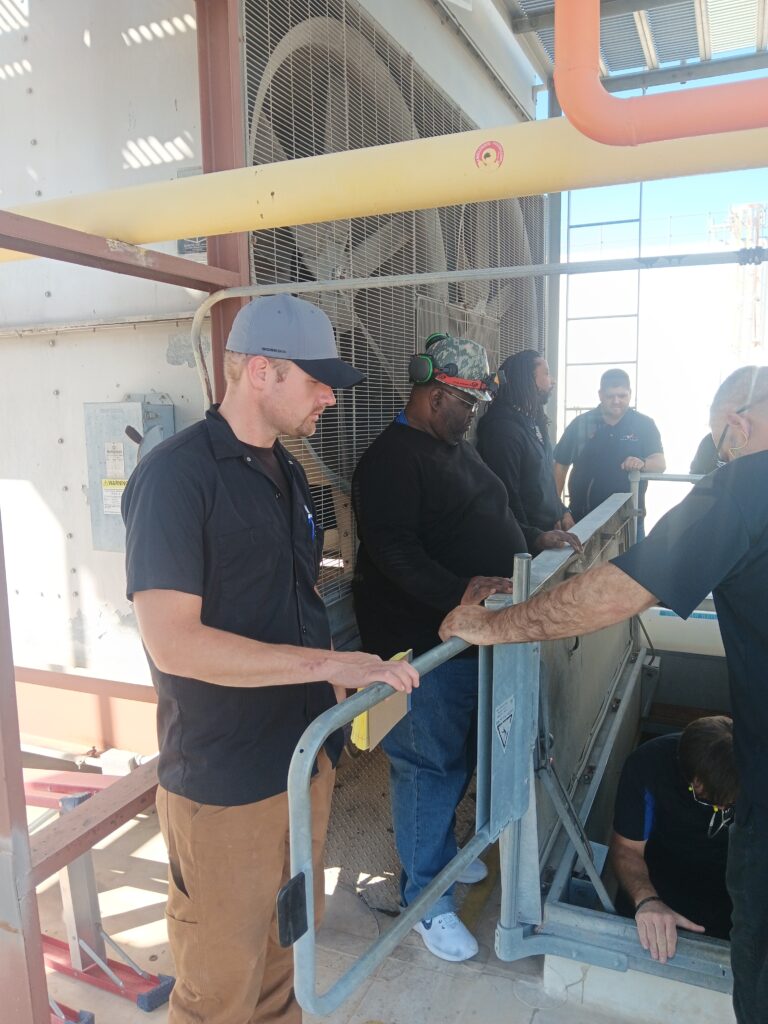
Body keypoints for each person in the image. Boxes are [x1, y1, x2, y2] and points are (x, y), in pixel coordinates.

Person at [122, 294, 418, 1024]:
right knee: (219, 987)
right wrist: (328, 667)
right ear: (260, 371)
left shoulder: (286, 475)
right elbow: (174, 642)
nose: (328, 397)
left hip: (302, 764)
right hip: (225, 785)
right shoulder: (174, 479)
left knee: (286, 952)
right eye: (316, 381)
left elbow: (292, 602)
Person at [440, 365, 768, 1024]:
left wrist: (496, 626)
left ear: (735, 422)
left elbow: (621, 589)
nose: (722, 458)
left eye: (722, 446)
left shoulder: (746, 487)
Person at [351, 333, 581, 963]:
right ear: (430, 393)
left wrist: (535, 536)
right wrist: (460, 591)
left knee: (462, 753)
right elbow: (393, 550)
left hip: (471, 637)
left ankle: (442, 860)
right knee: (427, 765)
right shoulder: (390, 461)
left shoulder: (453, 447)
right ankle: (425, 898)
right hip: (424, 645)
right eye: (465, 402)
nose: (474, 413)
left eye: (479, 402)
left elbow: (486, 513)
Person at [611, 716, 737, 961]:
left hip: (734, 892)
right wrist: (647, 900)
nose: (723, 810)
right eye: (713, 802)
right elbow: (626, 849)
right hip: (658, 883)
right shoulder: (649, 766)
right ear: (695, 782)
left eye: (732, 803)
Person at [553, 368, 665, 539]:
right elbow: (560, 467)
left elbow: (660, 463)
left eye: (622, 395)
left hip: (629, 523)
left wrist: (642, 463)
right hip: (581, 521)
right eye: (610, 396)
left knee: (629, 567)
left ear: (630, 393)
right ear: (600, 394)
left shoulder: (644, 424)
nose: (616, 401)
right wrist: (560, 511)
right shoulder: (581, 424)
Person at [476, 349, 574, 544]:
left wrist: (562, 511)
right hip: (525, 547)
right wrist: (533, 539)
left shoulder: (534, 421)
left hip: (548, 536)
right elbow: (507, 498)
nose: (552, 380)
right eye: (546, 373)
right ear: (526, 380)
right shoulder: (502, 429)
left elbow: (544, 480)